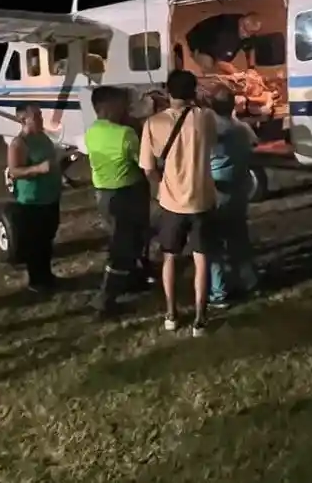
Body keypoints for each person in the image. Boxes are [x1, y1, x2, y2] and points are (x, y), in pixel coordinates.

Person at [139, 69, 217, 336]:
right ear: (194, 91)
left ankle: (171, 314)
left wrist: (161, 186)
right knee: (201, 260)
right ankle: (200, 319)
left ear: (167, 91)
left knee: (170, 258)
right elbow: (212, 141)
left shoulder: (153, 123)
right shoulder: (206, 117)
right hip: (202, 199)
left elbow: (148, 168)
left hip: (171, 202)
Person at [85, 86, 152, 316]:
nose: (126, 108)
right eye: (120, 104)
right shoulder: (125, 134)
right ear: (105, 107)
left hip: (104, 194)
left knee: (126, 240)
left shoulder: (92, 131)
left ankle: (131, 280)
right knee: (123, 246)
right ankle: (105, 300)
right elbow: (144, 160)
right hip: (126, 193)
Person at [205, 88, 260, 309]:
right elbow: (254, 144)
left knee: (214, 242)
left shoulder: (209, 130)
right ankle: (249, 281)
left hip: (217, 190)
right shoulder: (241, 128)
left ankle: (218, 292)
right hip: (239, 188)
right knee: (239, 236)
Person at [6, 103, 63, 290]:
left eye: (40, 114)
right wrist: (38, 169)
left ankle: (46, 275)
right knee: (35, 243)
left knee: (47, 239)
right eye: (36, 116)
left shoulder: (43, 137)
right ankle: (36, 281)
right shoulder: (19, 144)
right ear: (23, 119)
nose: (40, 119)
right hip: (32, 202)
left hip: (50, 198)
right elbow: (14, 171)